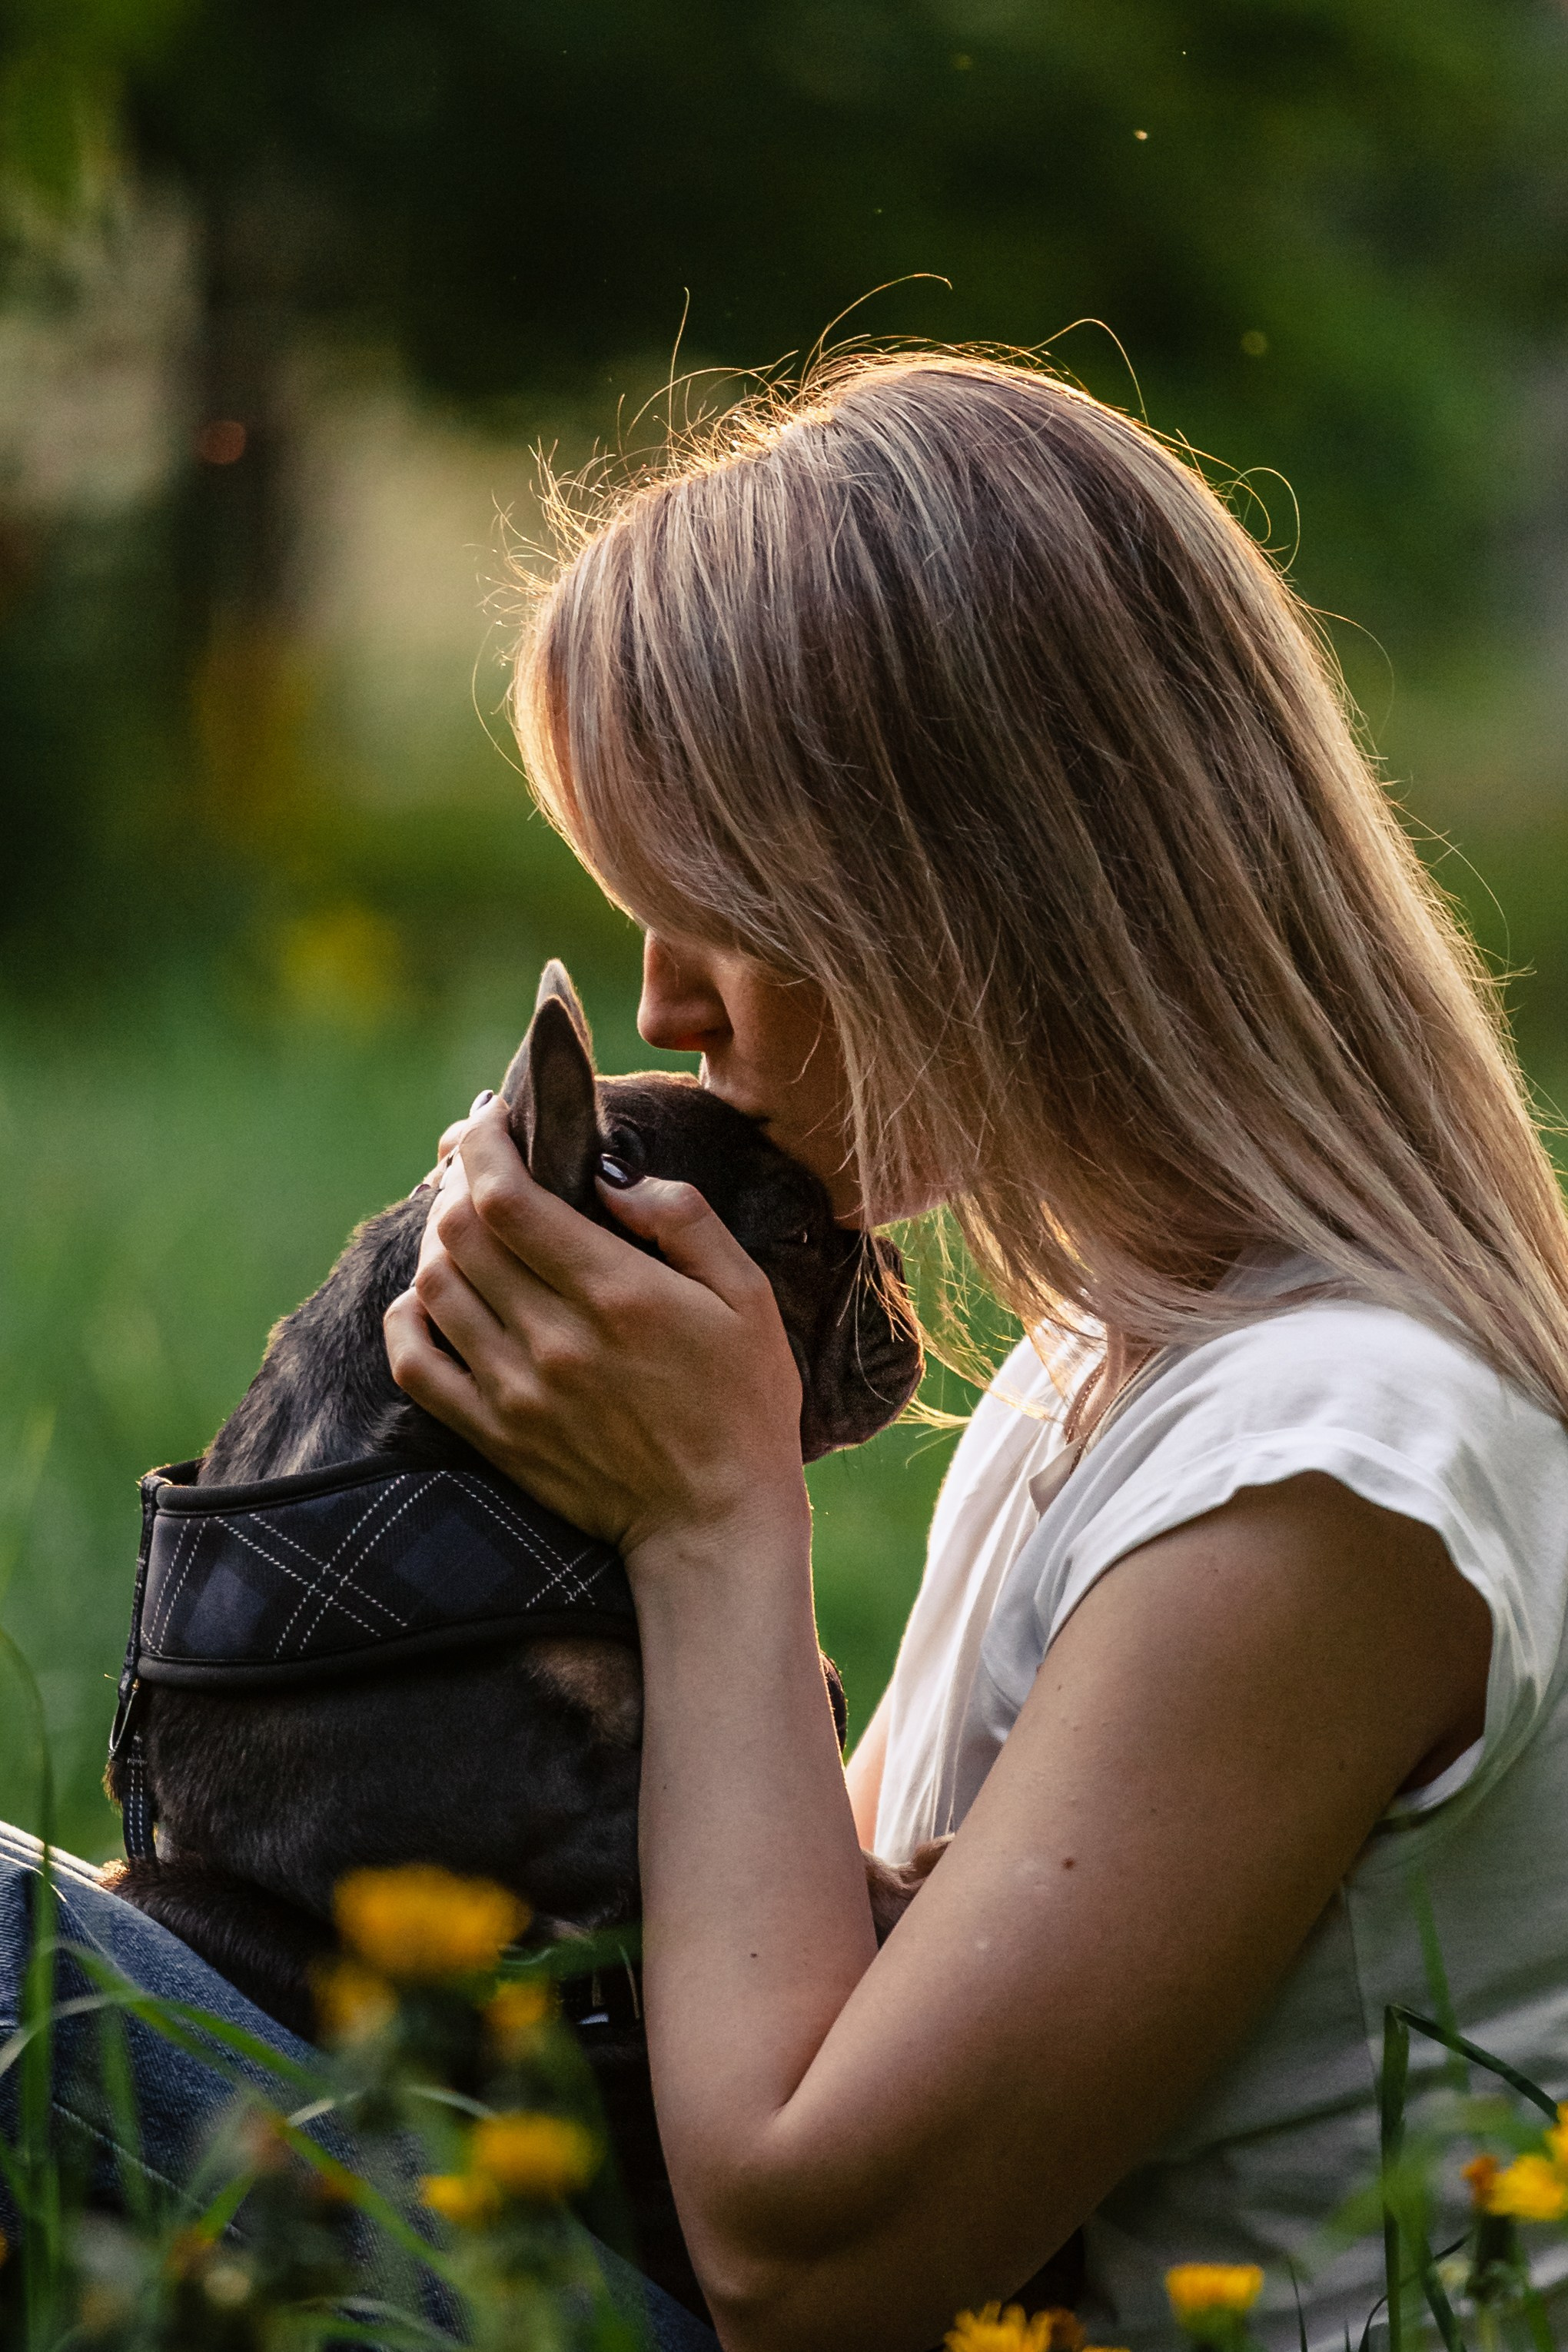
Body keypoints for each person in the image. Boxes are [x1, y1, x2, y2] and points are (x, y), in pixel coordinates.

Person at [383, 352, 1568, 2352]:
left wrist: (708, 1511)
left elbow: (805, 2258)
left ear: (971, 894)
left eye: (711, 905)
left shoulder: (1332, 1465)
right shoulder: (1101, 1378)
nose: (667, 1005)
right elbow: (805, 1975)